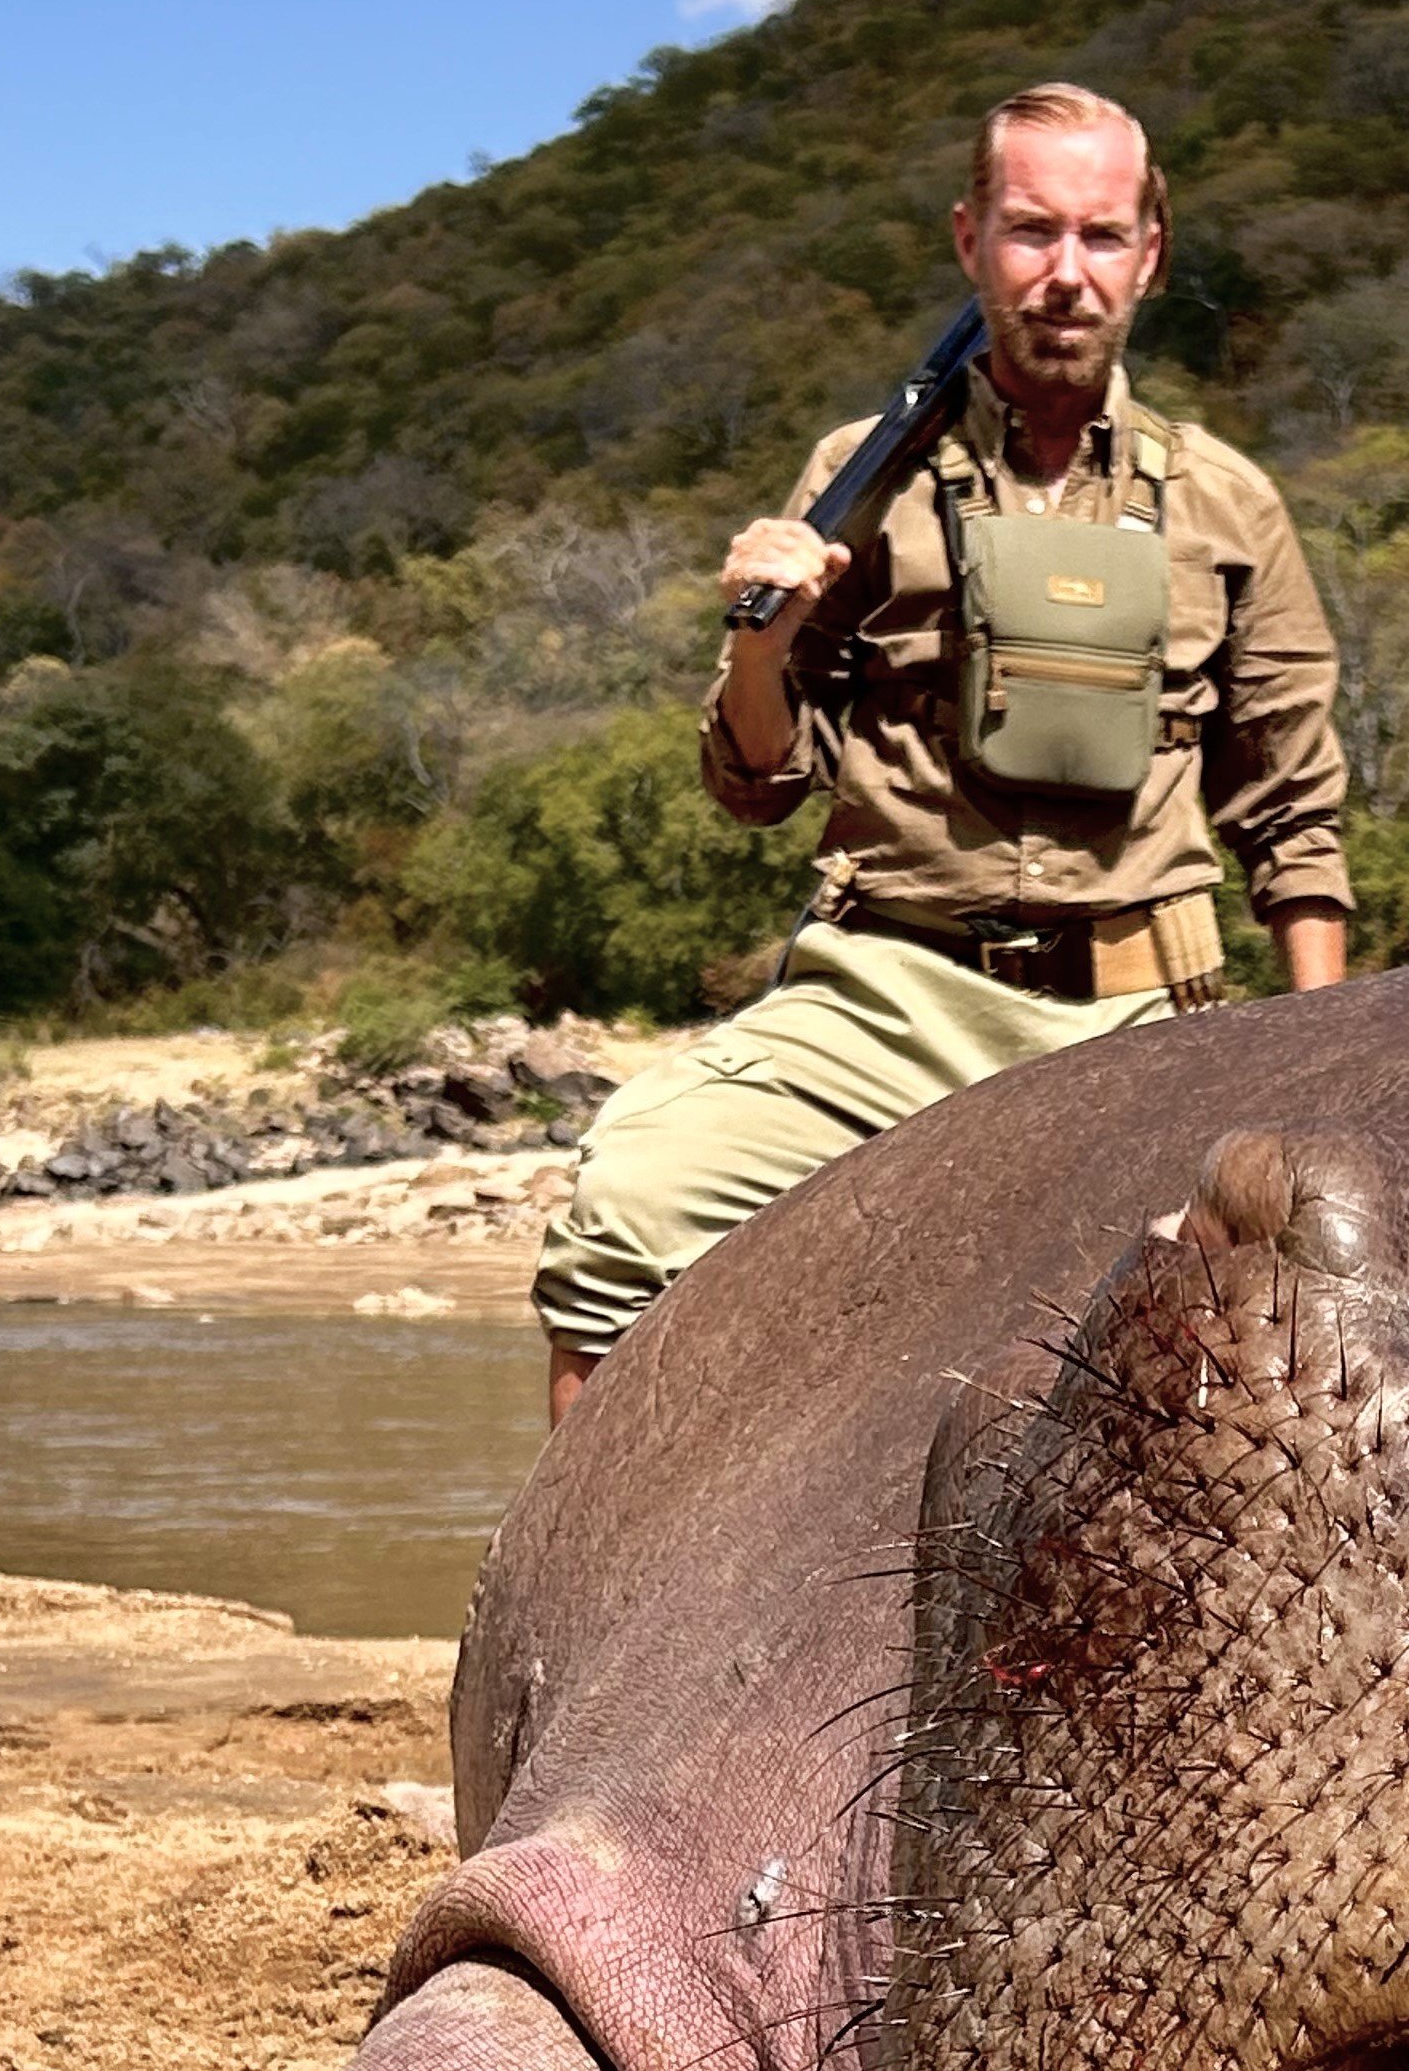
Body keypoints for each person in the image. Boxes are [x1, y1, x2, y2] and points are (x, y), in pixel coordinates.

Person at [533, 82, 1351, 1420]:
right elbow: (758, 783)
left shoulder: (1228, 500)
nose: (1065, 275)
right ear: (970, 241)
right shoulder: (860, 474)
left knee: (1279, 1318)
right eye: (1032, 233)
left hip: (1144, 1012)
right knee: (629, 1204)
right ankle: (571, 1625)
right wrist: (758, 645)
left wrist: (1320, 1058)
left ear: (1149, 255)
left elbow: (1293, 815)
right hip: (888, 994)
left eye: (1100, 237)